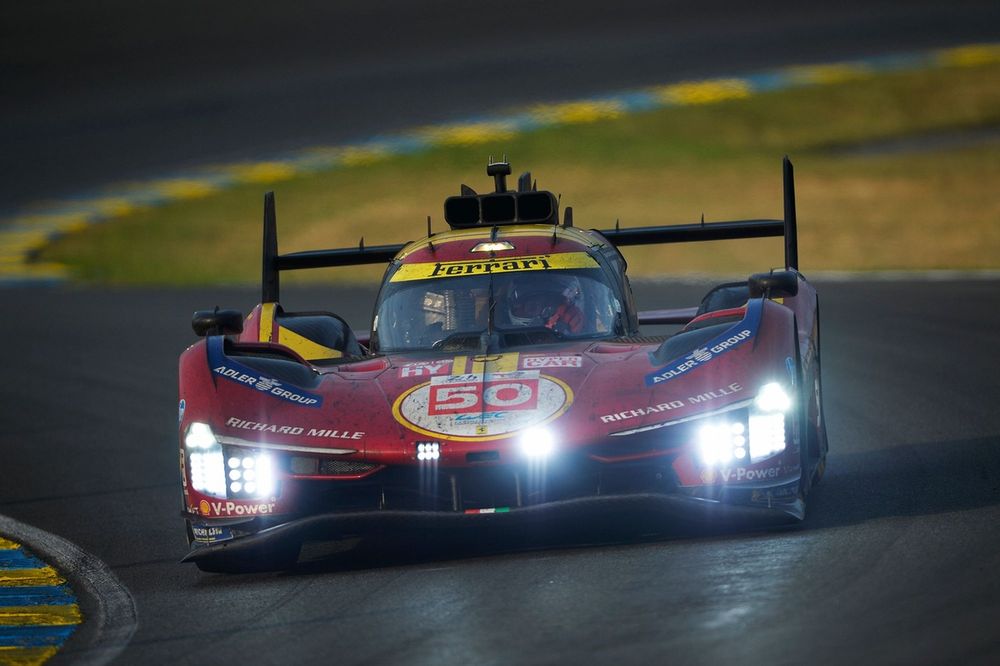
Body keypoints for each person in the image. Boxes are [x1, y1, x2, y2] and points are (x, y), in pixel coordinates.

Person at [504, 273, 585, 334]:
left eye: (551, 304)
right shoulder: (497, 346)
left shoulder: (570, 322)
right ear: (516, 309)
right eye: (532, 307)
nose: (543, 311)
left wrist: (572, 325)